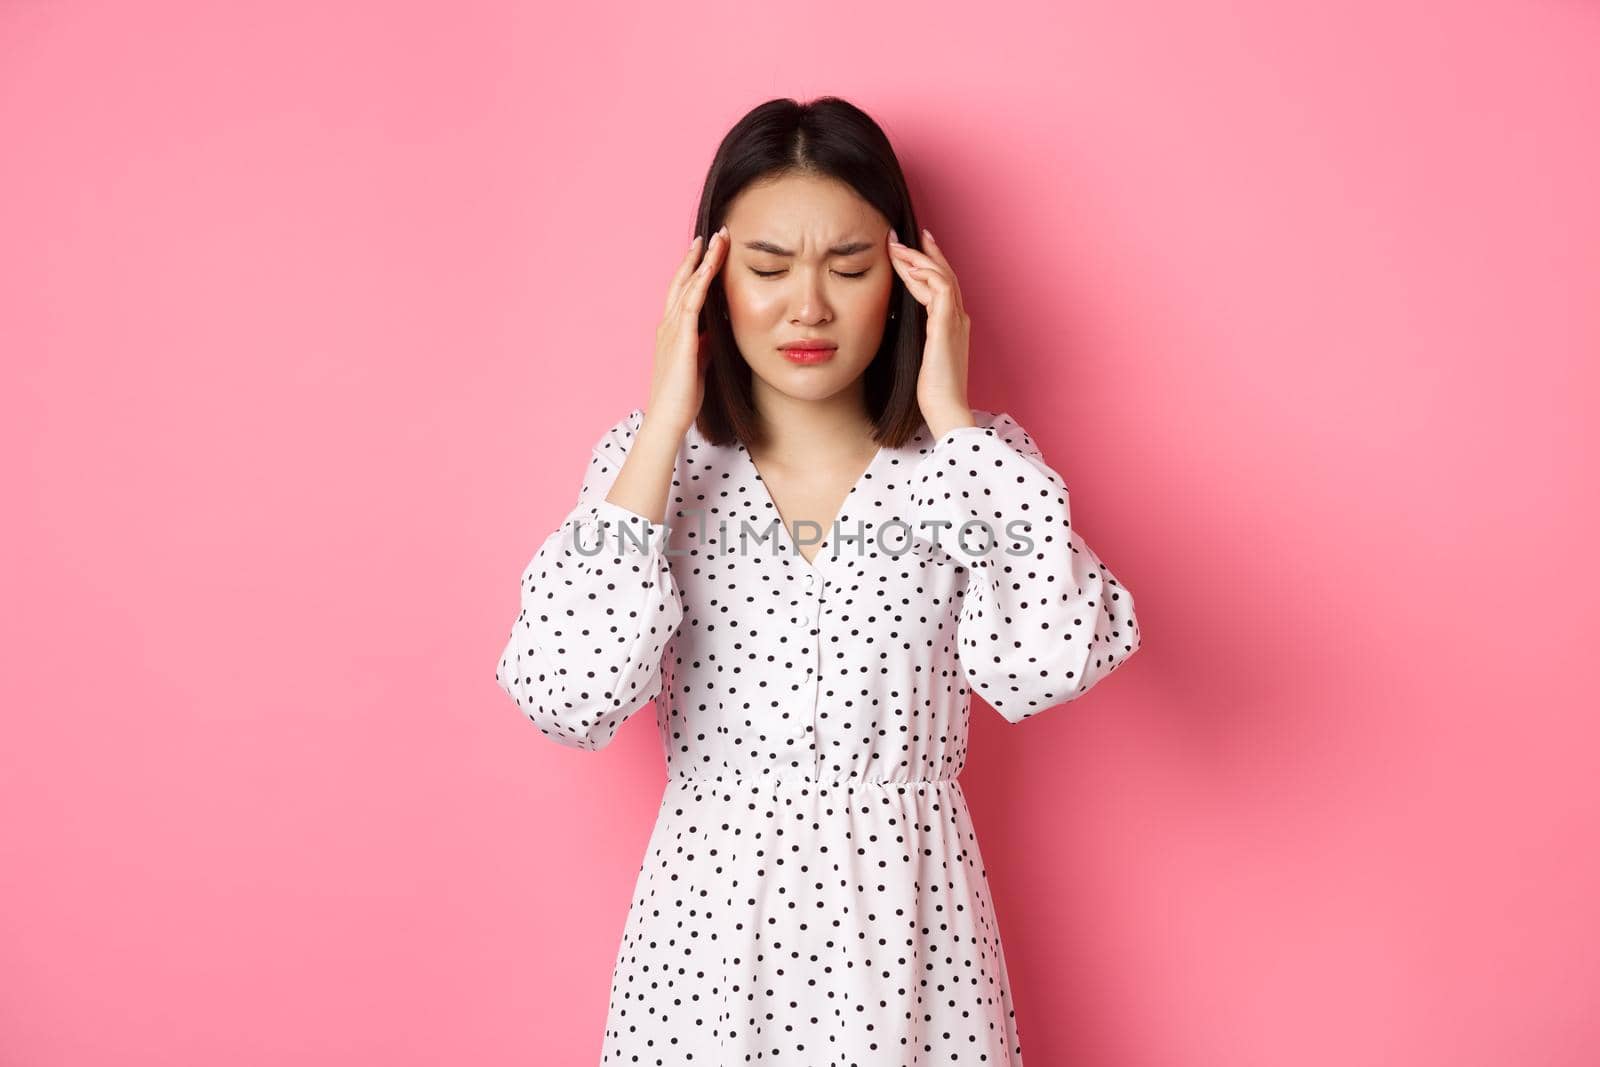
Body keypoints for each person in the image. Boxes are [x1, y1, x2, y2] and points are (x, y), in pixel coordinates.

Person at [494, 95, 1141, 1064]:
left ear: (907, 278)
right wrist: (664, 421)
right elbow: (566, 694)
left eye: (848, 266)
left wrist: (955, 419)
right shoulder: (647, 469)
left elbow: (1046, 663)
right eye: (765, 267)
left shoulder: (969, 466)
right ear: (707, 279)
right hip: (705, 947)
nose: (808, 306)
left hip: (912, 934)